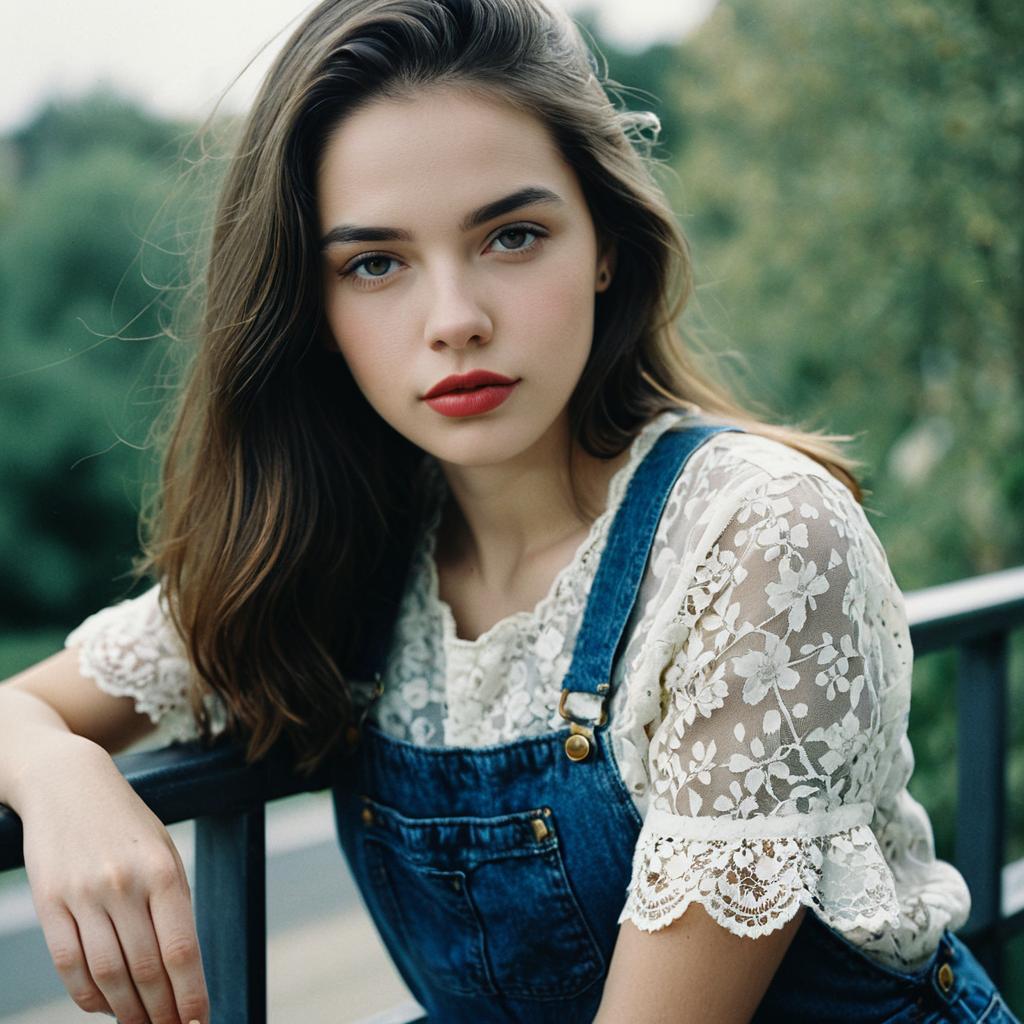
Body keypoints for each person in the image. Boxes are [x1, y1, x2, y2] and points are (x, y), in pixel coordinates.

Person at [0, 1, 1017, 1022]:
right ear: (314, 309)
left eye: (512, 236)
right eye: (374, 263)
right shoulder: (343, 553)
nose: (454, 321)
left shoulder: (752, 538)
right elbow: (18, 706)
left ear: (606, 244)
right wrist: (56, 774)